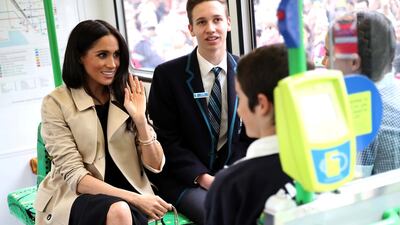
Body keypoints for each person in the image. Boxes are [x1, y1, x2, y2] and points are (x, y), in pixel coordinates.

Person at [34, 20, 171, 225]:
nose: (112, 64)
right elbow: (76, 177)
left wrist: (141, 120)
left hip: (128, 193)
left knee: (121, 209)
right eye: (102, 55)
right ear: (80, 57)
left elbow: (155, 165)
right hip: (76, 197)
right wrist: (136, 199)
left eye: (116, 55)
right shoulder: (55, 103)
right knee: (119, 210)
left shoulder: (128, 94)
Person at [147, 0, 252, 224]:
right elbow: (166, 140)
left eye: (217, 20)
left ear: (229, 23)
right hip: (184, 178)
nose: (211, 29)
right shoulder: (167, 76)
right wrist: (204, 178)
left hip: (232, 172)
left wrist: (231, 175)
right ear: (191, 29)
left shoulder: (247, 71)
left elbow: (250, 135)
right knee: (219, 215)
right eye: (202, 22)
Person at [205, 44, 311, 225]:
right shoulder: (332, 162)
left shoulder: (232, 185)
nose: (238, 110)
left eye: (241, 98)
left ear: (261, 104)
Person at [322, 11, 400, 176]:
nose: (323, 62)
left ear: (353, 62)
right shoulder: (394, 92)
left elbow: (352, 182)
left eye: (328, 54)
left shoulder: (362, 112)